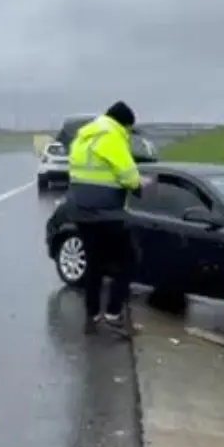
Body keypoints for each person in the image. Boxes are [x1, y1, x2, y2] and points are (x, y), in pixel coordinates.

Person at [66, 101, 153, 336]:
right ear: (123, 123)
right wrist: (141, 183)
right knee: (130, 260)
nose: (128, 133)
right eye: (128, 128)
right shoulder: (112, 136)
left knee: (94, 265)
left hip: (80, 212)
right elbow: (128, 175)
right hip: (107, 213)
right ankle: (114, 314)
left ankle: (91, 318)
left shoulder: (83, 137)